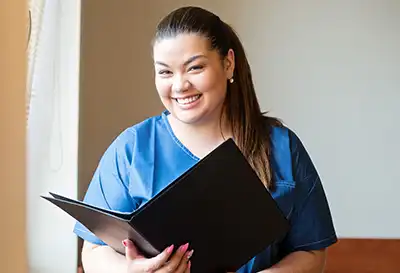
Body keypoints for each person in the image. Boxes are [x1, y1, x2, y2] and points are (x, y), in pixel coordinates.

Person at [74, 5, 337, 273]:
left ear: (228, 63)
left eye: (195, 67)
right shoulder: (132, 150)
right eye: (165, 72)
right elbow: (94, 250)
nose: (179, 86)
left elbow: (312, 252)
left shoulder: (282, 148)